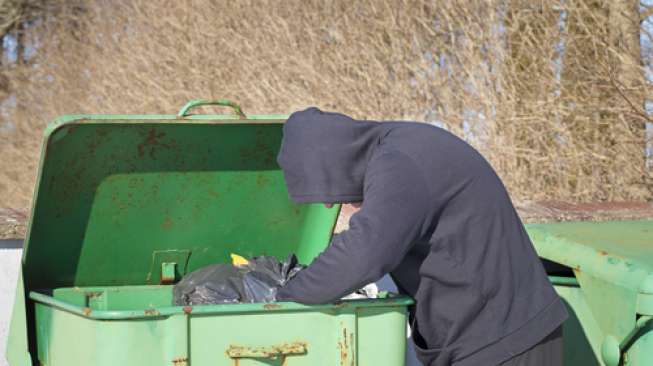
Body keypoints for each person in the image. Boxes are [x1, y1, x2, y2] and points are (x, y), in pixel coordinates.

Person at [275, 107, 567, 366]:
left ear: (335, 162)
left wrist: (283, 297)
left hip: (504, 343)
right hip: (493, 335)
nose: (329, 204)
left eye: (328, 191)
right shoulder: (404, 145)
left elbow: (365, 252)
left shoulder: (401, 164)